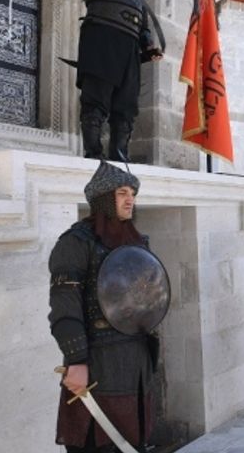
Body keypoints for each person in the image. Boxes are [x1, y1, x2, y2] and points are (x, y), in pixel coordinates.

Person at [49, 161, 161, 452]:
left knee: (132, 440)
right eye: (122, 192)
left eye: (133, 193)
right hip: (98, 361)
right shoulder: (75, 243)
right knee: (94, 443)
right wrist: (76, 360)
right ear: (103, 198)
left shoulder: (138, 242)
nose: (130, 199)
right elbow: (65, 306)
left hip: (134, 359)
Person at [56, 0, 163, 162]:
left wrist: (148, 46)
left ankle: (119, 157)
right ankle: (93, 155)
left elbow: (142, 23)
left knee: (125, 110)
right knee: (95, 102)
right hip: (102, 41)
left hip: (129, 53)